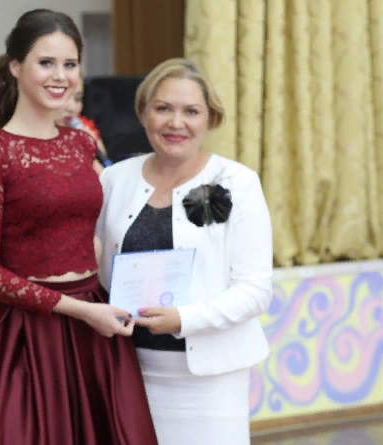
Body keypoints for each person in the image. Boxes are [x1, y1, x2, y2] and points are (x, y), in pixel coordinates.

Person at [0, 9, 158, 445]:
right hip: (22, 337)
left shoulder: (81, 143)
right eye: (46, 62)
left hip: (94, 329)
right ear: (15, 66)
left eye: (70, 64)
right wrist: (81, 310)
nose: (60, 76)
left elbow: (92, 230)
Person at [96, 58, 273, 445]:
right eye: (163, 108)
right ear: (144, 113)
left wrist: (183, 319)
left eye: (191, 111)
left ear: (210, 118)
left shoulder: (236, 183)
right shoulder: (113, 179)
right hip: (126, 371)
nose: (176, 123)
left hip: (210, 381)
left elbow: (256, 291)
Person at [53, 77, 110, 173]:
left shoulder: (83, 126)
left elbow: (105, 163)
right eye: (63, 97)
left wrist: (93, 144)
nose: (72, 108)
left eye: (78, 98)